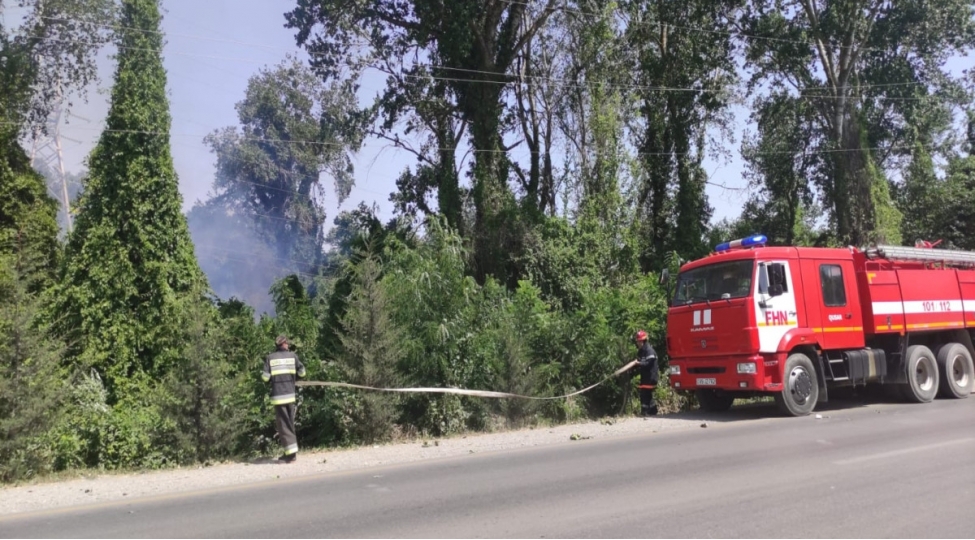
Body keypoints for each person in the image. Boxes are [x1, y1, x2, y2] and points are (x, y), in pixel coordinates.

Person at [262, 335, 306, 463]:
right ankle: (291, 453)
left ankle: (290, 455)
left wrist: (272, 378)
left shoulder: (270, 358)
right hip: (290, 395)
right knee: (289, 424)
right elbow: (302, 373)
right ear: (285, 344)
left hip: (278, 397)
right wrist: (294, 378)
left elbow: (265, 378)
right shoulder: (293, 356)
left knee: (283, 426)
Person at [633, 330, 659, 416]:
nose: (637, 343)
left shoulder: (649, 351)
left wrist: (639, 363)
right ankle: (652, 410)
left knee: (645, 394)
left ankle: (646, 411)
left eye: (638, 341)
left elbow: (648, 364)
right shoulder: (641, 351)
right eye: (637, 341)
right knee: (646, 394)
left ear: (642, 341)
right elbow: (640, 361)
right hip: (645, 377)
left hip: (651, 377)